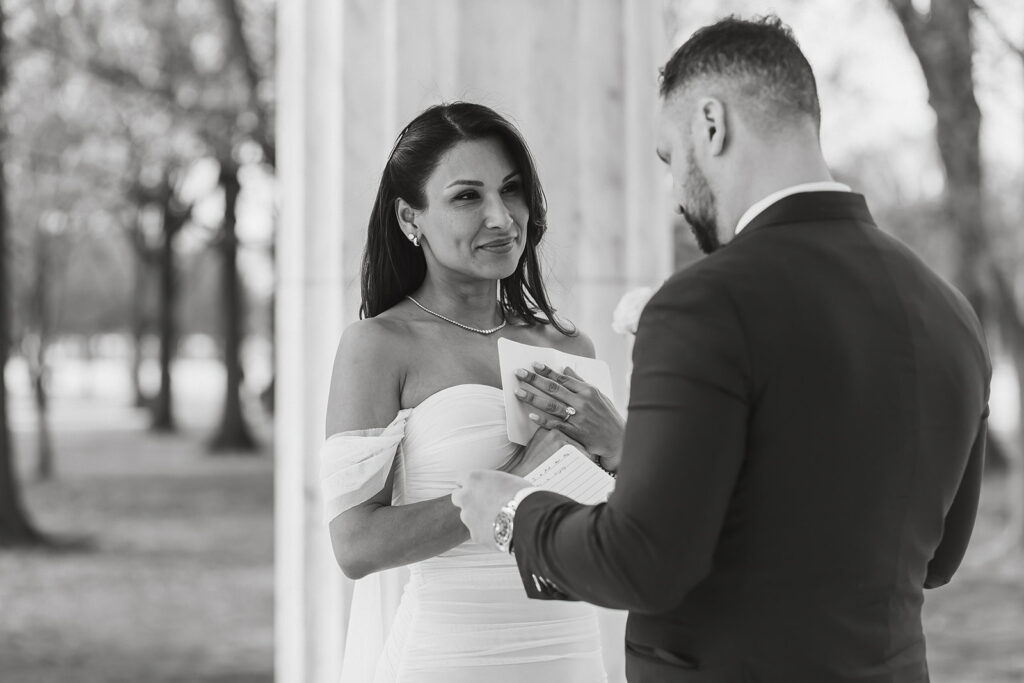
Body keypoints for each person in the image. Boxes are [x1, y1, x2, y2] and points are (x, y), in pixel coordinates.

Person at [453, 15, 991, 683]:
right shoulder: (950, 312)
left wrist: (514, 512)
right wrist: (638, 453)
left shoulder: (703, 302)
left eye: (670, 158)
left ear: (712, 124)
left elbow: (641, 562)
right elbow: (933, 556)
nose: (676, 191)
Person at [321, 101, 625, 682]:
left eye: (511, 190)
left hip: (568, 654)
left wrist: (624, 447)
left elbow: (620, 533)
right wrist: (514, 487)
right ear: (411, 219)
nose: (502, 218)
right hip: (448, 658)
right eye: (467, 196)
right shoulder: (380, 345)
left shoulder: (570, 348)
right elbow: (355, 546)